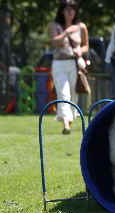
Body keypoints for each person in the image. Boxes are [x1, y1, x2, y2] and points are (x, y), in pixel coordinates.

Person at [48, 0, 89, 134]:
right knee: (63, 93)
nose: (70, 12)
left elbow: (86, 45)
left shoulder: (81, 26)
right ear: (62, 11)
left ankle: (69, 120)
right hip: (59, 63)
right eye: (67, 9)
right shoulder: (54, 25)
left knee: (73, 93)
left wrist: (81, 51)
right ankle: (66, 123)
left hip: (74, 63)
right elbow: (54, 42)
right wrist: (66, 32)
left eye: (73, 9)